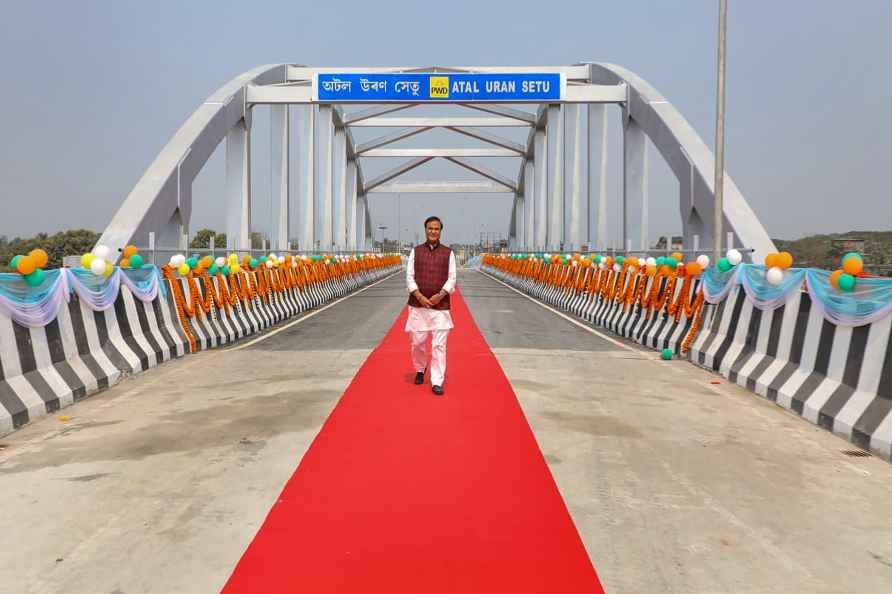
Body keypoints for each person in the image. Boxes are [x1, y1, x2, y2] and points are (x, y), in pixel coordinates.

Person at [405, 216, 457, 395]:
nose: (433, 231)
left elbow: (452, 278)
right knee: (417, 343)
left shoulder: (448, 253)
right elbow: (409, 277)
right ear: (425, 230)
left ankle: (437, 380)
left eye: (436, 228)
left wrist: (440, 294)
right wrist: (419, 296)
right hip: (418, 305)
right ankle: (420, 368)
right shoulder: (415, 251)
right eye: (430, 228)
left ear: (440, 231)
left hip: (440, 306)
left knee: (439, 346)